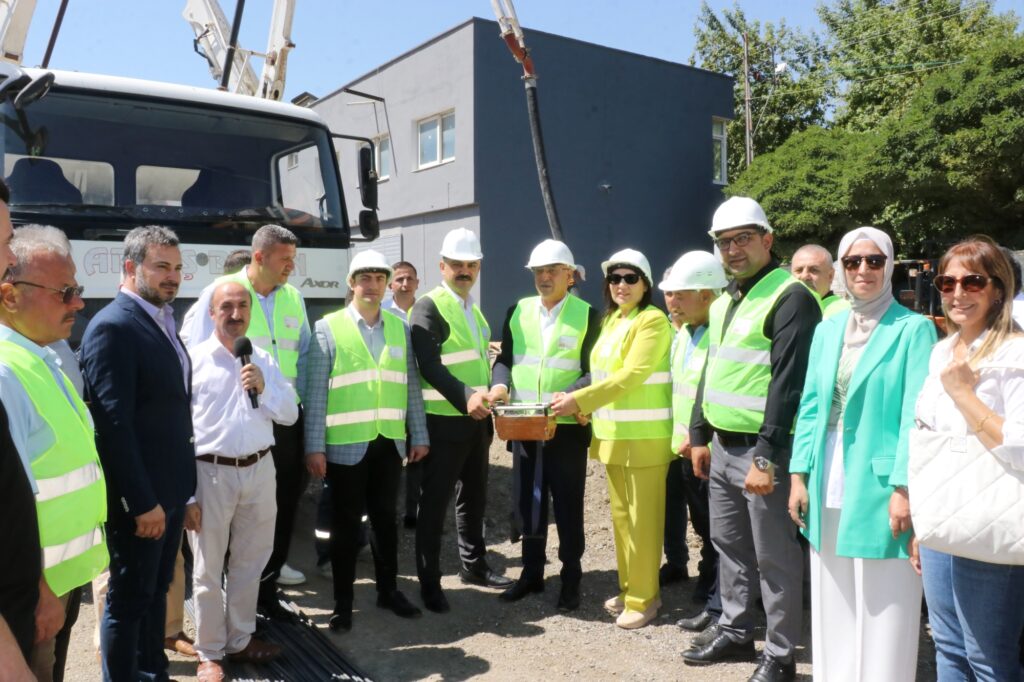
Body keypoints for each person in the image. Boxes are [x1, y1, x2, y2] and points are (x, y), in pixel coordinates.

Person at [788, 227, 936, 681]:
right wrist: (797, 473)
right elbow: (812, 403)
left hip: (881, 481)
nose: (864, 270)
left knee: (885, 600)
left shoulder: (914, 330)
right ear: (842, 271)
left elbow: (917, 414)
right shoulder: (829, 328)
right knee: (832, 594)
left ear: (890, 266)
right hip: (825, 469)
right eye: (853, 262)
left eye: (874, 261)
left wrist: (905, 488)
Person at [682, 197, 820, 682]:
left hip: (763, 455)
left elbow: (789, 386)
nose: (733, 249)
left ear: (767, 239)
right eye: (725, 241)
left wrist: (767, 456)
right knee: (730, 545)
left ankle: (780, 654)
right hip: (722, 446)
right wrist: (699, 432)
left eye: (743, 238)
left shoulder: (791, 297)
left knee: (774, 556)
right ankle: (737, 630)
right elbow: (710, 370)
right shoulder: (725, 301)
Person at [80, 225, 196, 682]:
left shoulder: (162, 319)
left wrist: (183, 495)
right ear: (131, 267)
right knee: (128, 604)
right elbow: (112, 427)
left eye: (178, 268)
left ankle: (152, 671)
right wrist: (139, 502)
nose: (173, 277)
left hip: (168, 495)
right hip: (141, 503)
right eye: (161, 267)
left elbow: (170, 412)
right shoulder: (113, 327)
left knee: (154, 596)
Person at [182, 225, 312, 611]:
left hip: (279, 418)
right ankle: (224, 600)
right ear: (259, 257)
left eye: (293, 258)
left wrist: (291, 401)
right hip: (227, 428)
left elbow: (301, 357)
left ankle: (266, 594)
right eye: (285, 259)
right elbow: (190, 357)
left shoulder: (294, 298)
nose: (292, 266)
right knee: (220, 525)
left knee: (281, 508)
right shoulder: (222, 293)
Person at [0, 226, 108, 682]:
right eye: (65, 292)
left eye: (77, 290)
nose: (79, 303)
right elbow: (9, 510)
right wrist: (42, 590)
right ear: (10, 296)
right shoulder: (6, 374)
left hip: (59, 581)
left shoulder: (44, 358)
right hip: (38, 591)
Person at [914, 236, 1024, 681]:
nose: (958, 292)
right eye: (947, 282)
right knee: (948, 649)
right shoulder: (942, 351)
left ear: (998, 288)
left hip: (992, 519)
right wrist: (924, 521)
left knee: (988, 658)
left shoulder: (1015, 354)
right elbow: (926, 438)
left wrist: (963, 394)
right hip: (943, 523)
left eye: (973, 281)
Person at [304, 250, 429, 631]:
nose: (372, 285)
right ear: (351, 283)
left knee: (385, 523)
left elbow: (409, 386)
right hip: (345, 445)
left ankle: (388, 591)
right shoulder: (329, 327)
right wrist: (315, 446)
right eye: (365, 278)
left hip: (387, 443)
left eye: (379, 278)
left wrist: (418, 433)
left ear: (386, 283)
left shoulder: (398, 327)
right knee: (344, 529)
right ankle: (344, 603)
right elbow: (315, 392)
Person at [550, 248, 674, 629]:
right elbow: (602, 373)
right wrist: (587, 407)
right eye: (615, 278)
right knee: (622, 520)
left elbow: (632, 375)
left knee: (644, 522)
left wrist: (579, 400)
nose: (621, 285)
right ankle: (629, 588)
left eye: (630, 278)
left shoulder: (652, 322)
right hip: (614, 436)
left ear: (645, 284)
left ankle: (645, 599)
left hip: (646, 438)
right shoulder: (613, 320)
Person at [187, 280, 297, 680]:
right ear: (212, 313)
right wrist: (185, 495)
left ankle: (241, 638)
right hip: (210, 473)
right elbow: (180, 428)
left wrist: (264, 388)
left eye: (243, 306)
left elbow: (289, 414)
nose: (236, 314)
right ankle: (210, 652)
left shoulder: (262, 358)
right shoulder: (192, 361)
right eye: (227, 307)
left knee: (251, 561)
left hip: (260, 470)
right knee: (207, 567)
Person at [489, 239, 600, 611]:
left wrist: (569, 396)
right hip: (523, 425)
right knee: (528, 502)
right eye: (539, 271)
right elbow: (504, 359)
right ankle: (531, 573)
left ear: (570, 276)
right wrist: (500, 384)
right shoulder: (517, 311)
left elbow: (593, 372)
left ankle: (571, 577)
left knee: (568, 505)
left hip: (566, 427)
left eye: (553, 270)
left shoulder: (588, 315)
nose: (545, 277)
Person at [410, 227, 513, 613]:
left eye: (471, 264)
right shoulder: (428, 306)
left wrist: (489, 393)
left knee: (474, 497)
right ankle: (430, 583)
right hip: (443, 421)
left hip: (475, 421)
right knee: (434, 505)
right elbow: (429, 365)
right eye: (457, 264)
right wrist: (466, 396)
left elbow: (479, 360)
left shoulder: (473, 308)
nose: (464, 270)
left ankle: (474, 567)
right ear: (442, 266)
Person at [657, 252, 725, 634]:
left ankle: (718, 598)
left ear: (705, 294)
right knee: (704, 525)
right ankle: (711, 590)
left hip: (710, 450)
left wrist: (703, 440)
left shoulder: (721, 334)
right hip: (685, 448)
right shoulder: (684, 334)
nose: (673, 301)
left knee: (720, 530)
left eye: (680, 294)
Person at [791, 243, 849, 319]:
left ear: (830, 276)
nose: (804, 276)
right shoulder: (785, 310)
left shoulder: (846, 313)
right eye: (799, 270)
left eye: (813, 270)